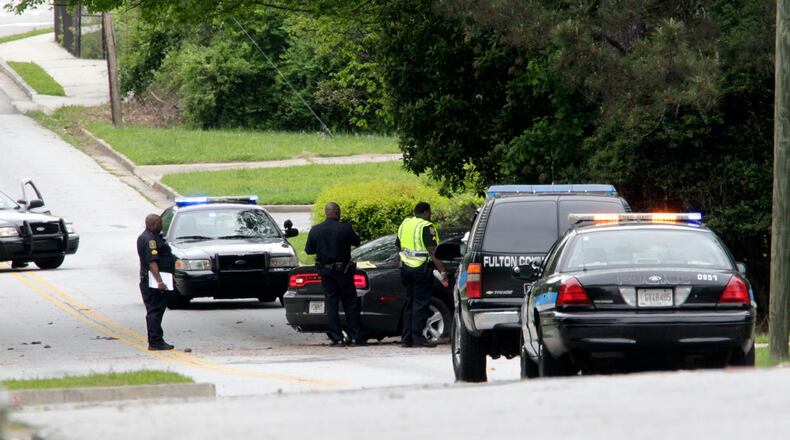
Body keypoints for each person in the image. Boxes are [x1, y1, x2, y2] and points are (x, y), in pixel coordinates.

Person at [305, 202, 363, 346]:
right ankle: (355, 336)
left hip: (325, 271)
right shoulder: (345, 228)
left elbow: (308, 250)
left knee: (331, 303)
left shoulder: (316, 229)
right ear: (337, 213)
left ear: (326, 213)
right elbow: (357, 242)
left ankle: (336, 337)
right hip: (343, 271)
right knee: (350, 302)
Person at [396, 202, 448, 348]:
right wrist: (442, 270)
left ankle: (406, 339)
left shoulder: (405, 224)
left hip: (406, 268)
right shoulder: (425, 226)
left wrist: (403, 261)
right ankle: (418, 338)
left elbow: (397, 247)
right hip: (421, 269)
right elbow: (432, 250)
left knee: (409, 303)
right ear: (426, 212)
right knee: (421, 304)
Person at [136, 214, 175, 351]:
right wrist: (159, 281)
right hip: (152, 282)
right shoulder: (150, 240)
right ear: (153, 224)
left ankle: (156, 339)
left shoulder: (149, 237)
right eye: (159, 223)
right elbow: (152, 262)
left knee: (156, 310)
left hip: (153, 280)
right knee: (155, 311)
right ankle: (155, 341)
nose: (161, 226)